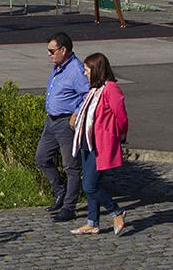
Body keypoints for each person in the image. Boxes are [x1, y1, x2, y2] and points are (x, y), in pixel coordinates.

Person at [69, 53, 129, 236]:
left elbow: (121, 117)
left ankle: (116, 212)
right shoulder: (95, 89)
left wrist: (118, 135)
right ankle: (92, 222)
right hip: (88, 143)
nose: (85, 74)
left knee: (89, 185)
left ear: (96, 70)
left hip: (101, 144)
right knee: (89, 182)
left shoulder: (111, 89)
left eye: (87, 70)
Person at [36, 32, 89, 222]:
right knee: (42, 157)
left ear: (63, 50)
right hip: (51, 121)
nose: (49, 55)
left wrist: (75, 113)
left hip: (66, 122)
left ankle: (69, 207)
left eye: (52, 51)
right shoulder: (58, 66)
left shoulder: (76, 70)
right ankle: (60, 192)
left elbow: (88, 95)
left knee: (71, 166)